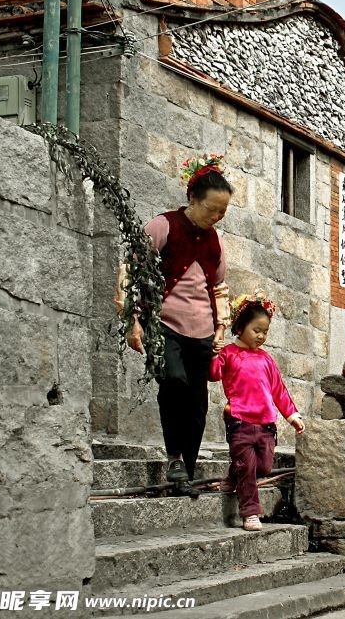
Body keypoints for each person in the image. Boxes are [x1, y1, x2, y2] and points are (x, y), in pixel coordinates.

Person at [121, 153, 233, 489]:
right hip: (164, 326)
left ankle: (187, 466)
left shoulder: (215, 241)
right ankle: (173, 457)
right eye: (212, 209)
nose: (217, 216)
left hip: (202, 333)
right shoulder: (163, 225)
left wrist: (220, 330)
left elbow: (220, 288)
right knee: (174, 382)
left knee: (199, 404)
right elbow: (131, 270)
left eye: (223, 212)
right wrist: (133, 321)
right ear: (192, 199)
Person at [210, 290, 305, 531]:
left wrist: (292, 415)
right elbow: (213, 375)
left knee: (262, 467)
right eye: (257, 330)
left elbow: (279, 390)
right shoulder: (229, 354)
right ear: (240, 327)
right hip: (239, 421)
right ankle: (250, 513)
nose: (262, 336)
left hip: (266, 425)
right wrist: (213, 353)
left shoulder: (266, 360)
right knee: (248, 468)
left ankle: (233, 475)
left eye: (265, 332)